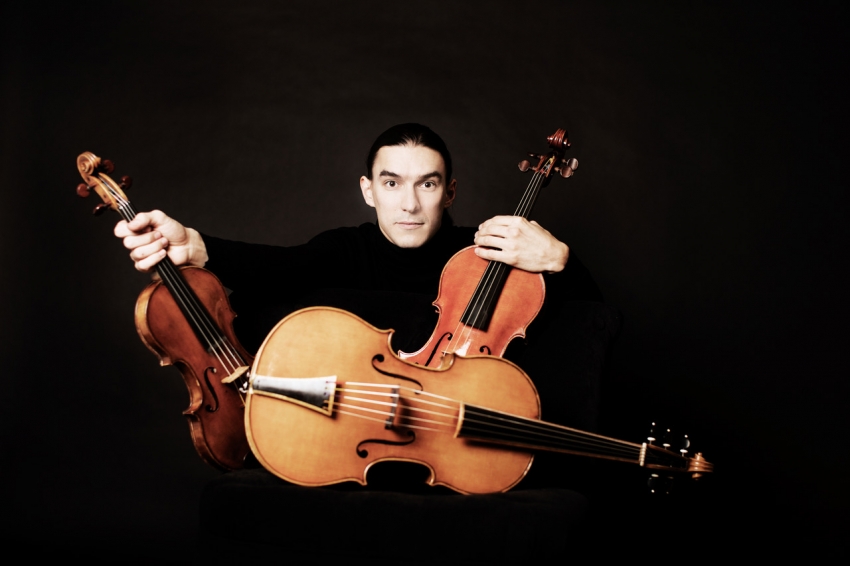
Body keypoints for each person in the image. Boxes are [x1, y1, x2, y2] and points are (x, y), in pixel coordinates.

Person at [115, 124, 608, 484]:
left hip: (467, 450)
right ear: (368, 192)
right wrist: (196, 245)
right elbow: (276, 266)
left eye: (428, 184)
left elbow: (591, 331)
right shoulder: (345, 250)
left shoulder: (486, 259)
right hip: (358, 450)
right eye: (392, 183)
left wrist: (560, 260)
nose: (409, 204)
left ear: (449, 192)